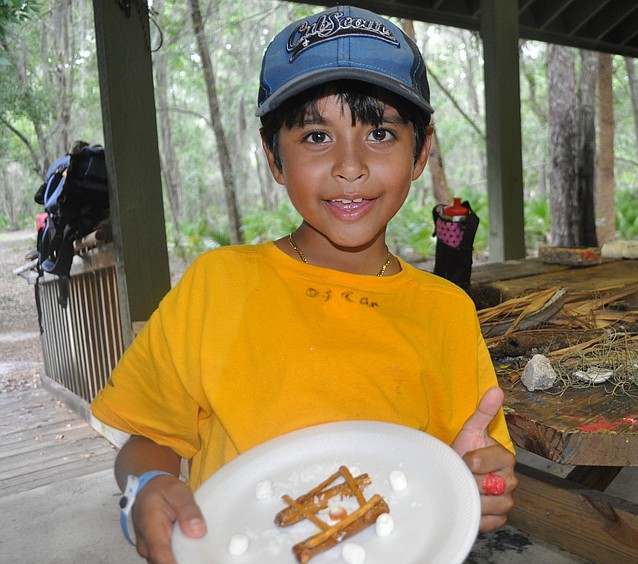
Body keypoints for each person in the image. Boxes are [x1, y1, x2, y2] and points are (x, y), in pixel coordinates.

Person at [92, 5, 516, 562]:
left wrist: (477, 484)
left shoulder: (447, 311)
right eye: (317, 135)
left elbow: (479, 463)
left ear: (420, 152)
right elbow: (147, 439)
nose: (349, 165)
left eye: (381, 132)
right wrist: (147, 488)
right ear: (273, 156)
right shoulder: (217, 287)